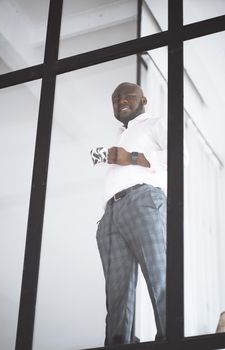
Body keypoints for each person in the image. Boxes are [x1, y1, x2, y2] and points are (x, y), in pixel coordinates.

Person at [96, 82, 167, 345]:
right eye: (115, 98)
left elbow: (180, 155)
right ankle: (117, 343)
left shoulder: (155, 124)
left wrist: (132, 158)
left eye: (128, 96)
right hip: (111, 214)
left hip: (143, 200)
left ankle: (171, 339)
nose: (121, 100)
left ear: (144, 99)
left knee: (160, 275)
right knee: (116, 295)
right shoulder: (119, 134)